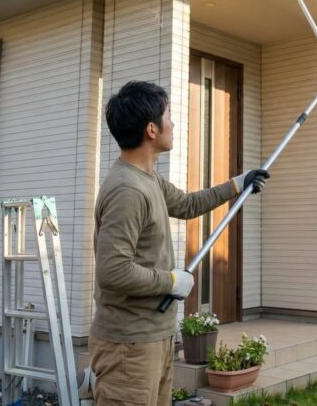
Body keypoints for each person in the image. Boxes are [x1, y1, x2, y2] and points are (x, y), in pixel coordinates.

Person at [88, 80, 268, 405]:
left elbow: (186, 204)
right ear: (152, 130)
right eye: (169, 114)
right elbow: (112, 272)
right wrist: (170, 280)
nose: (174, 122)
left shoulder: (149, 179)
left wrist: (237, 185)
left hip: (154, 335)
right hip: (129, 347)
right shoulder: (128, 190)